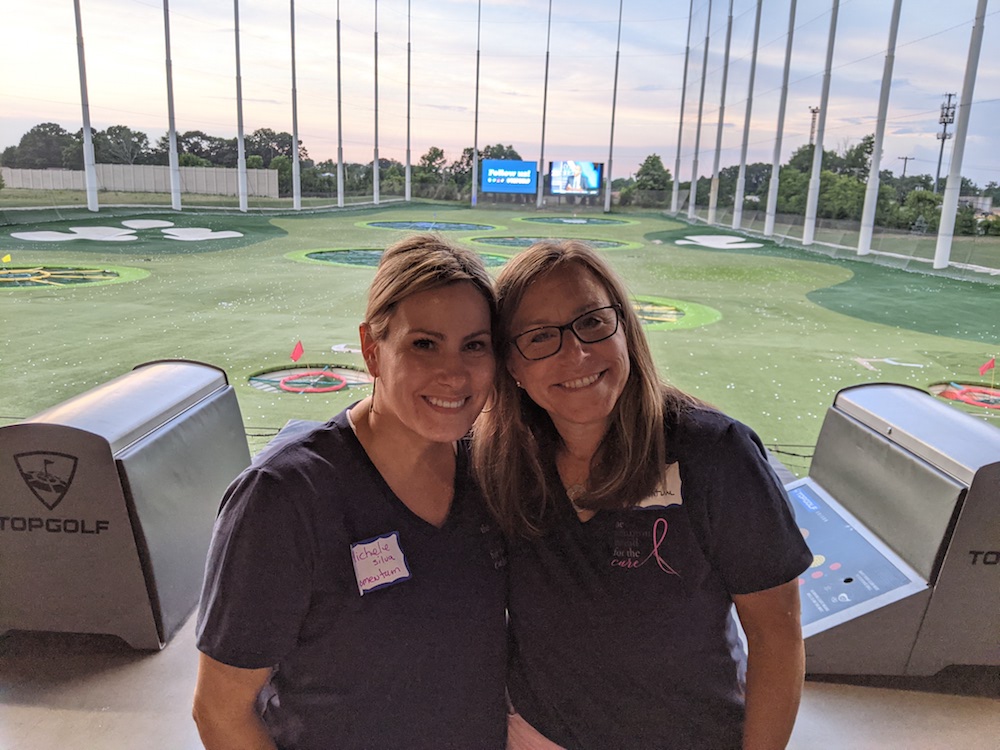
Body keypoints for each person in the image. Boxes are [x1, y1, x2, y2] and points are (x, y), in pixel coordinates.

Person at [472, 240, 813, 750]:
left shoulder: (714, 453)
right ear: (513, 368)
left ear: (625, 329)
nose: (578, 353)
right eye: (540, 337)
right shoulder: (500, 460)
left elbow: (776, 637)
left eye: (591, 321)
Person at [193, 234, 508, 750]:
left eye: (475, 345)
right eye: (423, 344)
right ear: (371, 350)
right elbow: (220, 713)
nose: (454, 373)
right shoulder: (283, 498)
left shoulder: (490, 473)